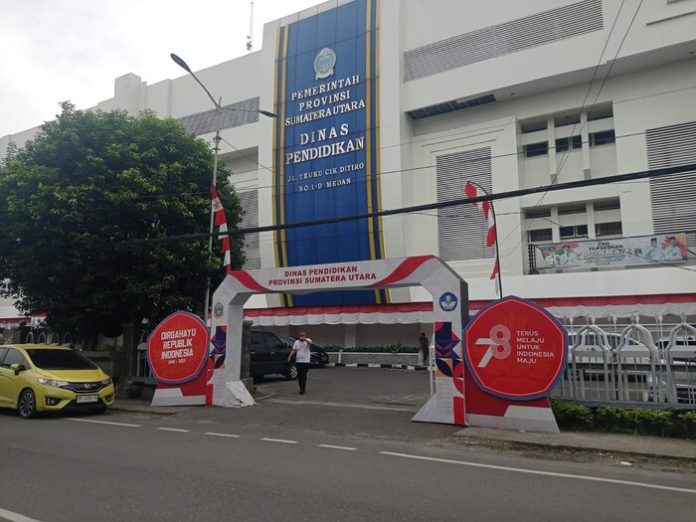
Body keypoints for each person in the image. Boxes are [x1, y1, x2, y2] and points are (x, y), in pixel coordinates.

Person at [288, 330, 313, 394]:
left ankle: (303, 389)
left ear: (305, 336)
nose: (302, 336)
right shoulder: (296, 342)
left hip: (306, 361)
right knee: (299, 375)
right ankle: (301, 388)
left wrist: (305, 339)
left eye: (303, 335)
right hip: (298, 361)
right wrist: (290, 356)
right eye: (301, 335)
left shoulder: (308, 340)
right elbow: (294, 350)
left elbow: (311, 344)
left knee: (303, 374)